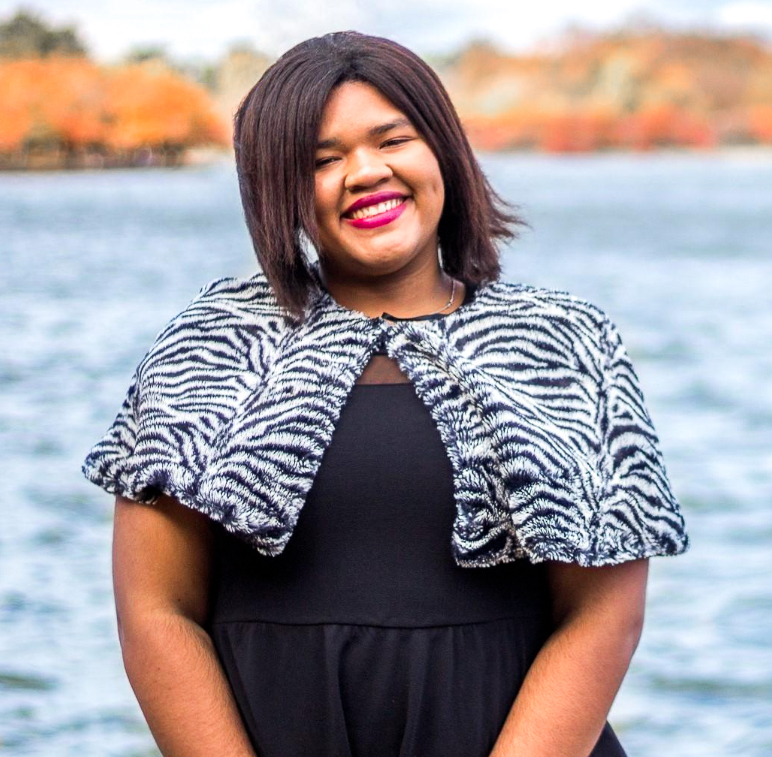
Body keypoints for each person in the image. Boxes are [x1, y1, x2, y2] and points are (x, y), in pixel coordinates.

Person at [81, 30, 690, 757]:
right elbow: (155, 610)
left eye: (390, 140)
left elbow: (605, 612)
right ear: (280, 189)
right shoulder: (209, 346)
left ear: (441, 150)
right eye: (321, 160)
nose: (364, 173)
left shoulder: (565, 340)